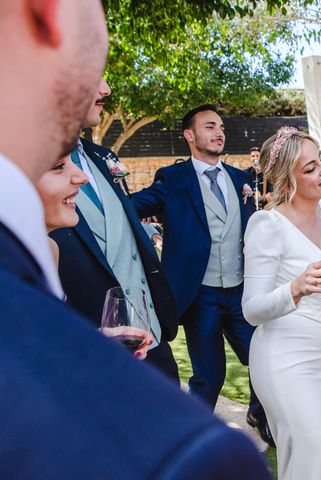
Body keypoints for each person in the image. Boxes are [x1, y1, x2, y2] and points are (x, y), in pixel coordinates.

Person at [0, 1, 269, 478]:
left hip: (151, 322)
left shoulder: (106, 160)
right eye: (98, 71)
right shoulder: (192, 457)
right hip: (172, 306)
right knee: (206, 378)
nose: (104, 88)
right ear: (45, 13)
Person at [132, 104, 273, 446]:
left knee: (264, 358)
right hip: (200, 296)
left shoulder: (243, 180)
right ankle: (190, 438)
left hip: (243, 293)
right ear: (190, 135)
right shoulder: (173, 179)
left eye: (221, 126)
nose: (219, 131)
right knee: (209, 376)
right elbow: (129, 209)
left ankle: (259, 412)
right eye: (210, 126)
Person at [242, 126, 321, 480]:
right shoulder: (267, 224)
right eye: (310, 168)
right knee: (312, 457)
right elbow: (251, 310)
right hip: (282, 362)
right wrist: (296, 288)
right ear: (288, 180)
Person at [50, 78, 180, 381]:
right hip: (90, 353)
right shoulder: (23, 167)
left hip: (149, 334)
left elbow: (122, 225)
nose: (106, 89)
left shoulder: (101, 156)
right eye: (93, 76)